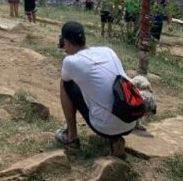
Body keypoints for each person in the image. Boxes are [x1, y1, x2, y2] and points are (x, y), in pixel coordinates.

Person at [55, 21, 136, 151]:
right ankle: (116, 139)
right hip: (130, 121)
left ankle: (71, 136)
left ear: (67, 43)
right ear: (84, 39)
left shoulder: (70, 62)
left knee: (65, 84)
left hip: (104, 128)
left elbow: (67, 79)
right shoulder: (107, 51)